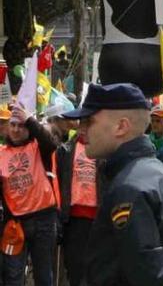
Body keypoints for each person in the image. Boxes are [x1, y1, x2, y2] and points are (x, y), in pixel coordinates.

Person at [62, 83, 163, 285]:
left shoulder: (129, 188)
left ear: (121, 126)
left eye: (88, 121)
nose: (80, 130)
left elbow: (151, 276)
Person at [0, 104, 59, 286]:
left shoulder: (39, 148)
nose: (16, 129)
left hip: (44, 222)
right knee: (13, 276)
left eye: (21, 125)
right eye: (13, 125)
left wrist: (30, 120)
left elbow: (50, 142)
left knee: (43, 275)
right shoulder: (1, 154)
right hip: (14, 225)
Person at [53, 119, 101, 286]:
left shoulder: (103, 150)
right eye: (83, 124)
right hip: (73, 219)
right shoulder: (65, 150)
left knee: (97, 269)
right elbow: (57, 183)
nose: (85, 128)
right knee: (75, 268)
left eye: (89, 124)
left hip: (99, 219)